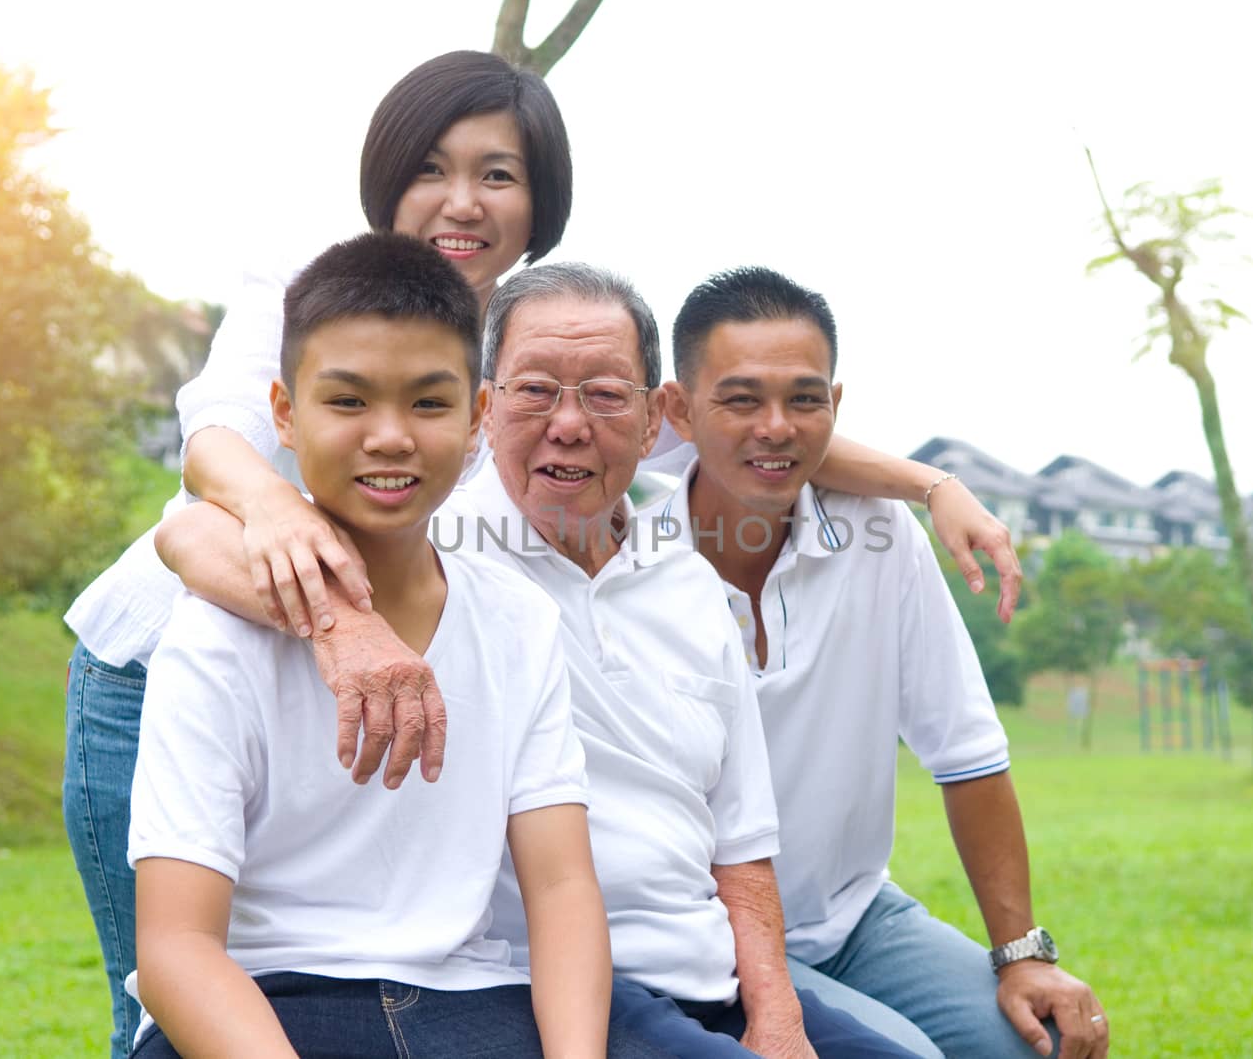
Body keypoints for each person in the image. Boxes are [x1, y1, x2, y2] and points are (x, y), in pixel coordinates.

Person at [63, 50, 1020, 1056]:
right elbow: (199, 501)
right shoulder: (316, 294)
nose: (460, 201)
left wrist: (929, 483)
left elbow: (716, 419)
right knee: (171, 1012)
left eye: (498, 174)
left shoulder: (527, 346)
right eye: (430, 167)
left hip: (385, 699)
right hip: (170, 656)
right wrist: (337, 603)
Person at [159, 264, 919, 1057]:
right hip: (551, 987)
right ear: (488, 408)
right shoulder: (429, 522)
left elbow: (741, 839)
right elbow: (189, 537)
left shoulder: (685, 581)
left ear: (657, 413)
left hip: (702, 971)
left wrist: (779, 1016)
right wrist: (344, 622)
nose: (569, 424)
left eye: (604, 393)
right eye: (536, 390)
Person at [129, 234, 623, 1057]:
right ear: (283, 413)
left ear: (478, 416)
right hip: (262, 1003)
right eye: (349, 402)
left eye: (429, 403)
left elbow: (564, 885)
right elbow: (177, 948)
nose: (390, 437)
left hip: (467, 1001)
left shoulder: (518, 622)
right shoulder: (212, 637)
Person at [650, 266, 1109, 1058]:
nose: (775, 426)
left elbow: (966, 753)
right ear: (678, 412)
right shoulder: (625, 554)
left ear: (836, 406)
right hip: (699, 938)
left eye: (804, 399)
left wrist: (1023, 955)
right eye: (740, 399)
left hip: (855, 917)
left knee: (1029, 1044)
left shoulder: (881, 537)